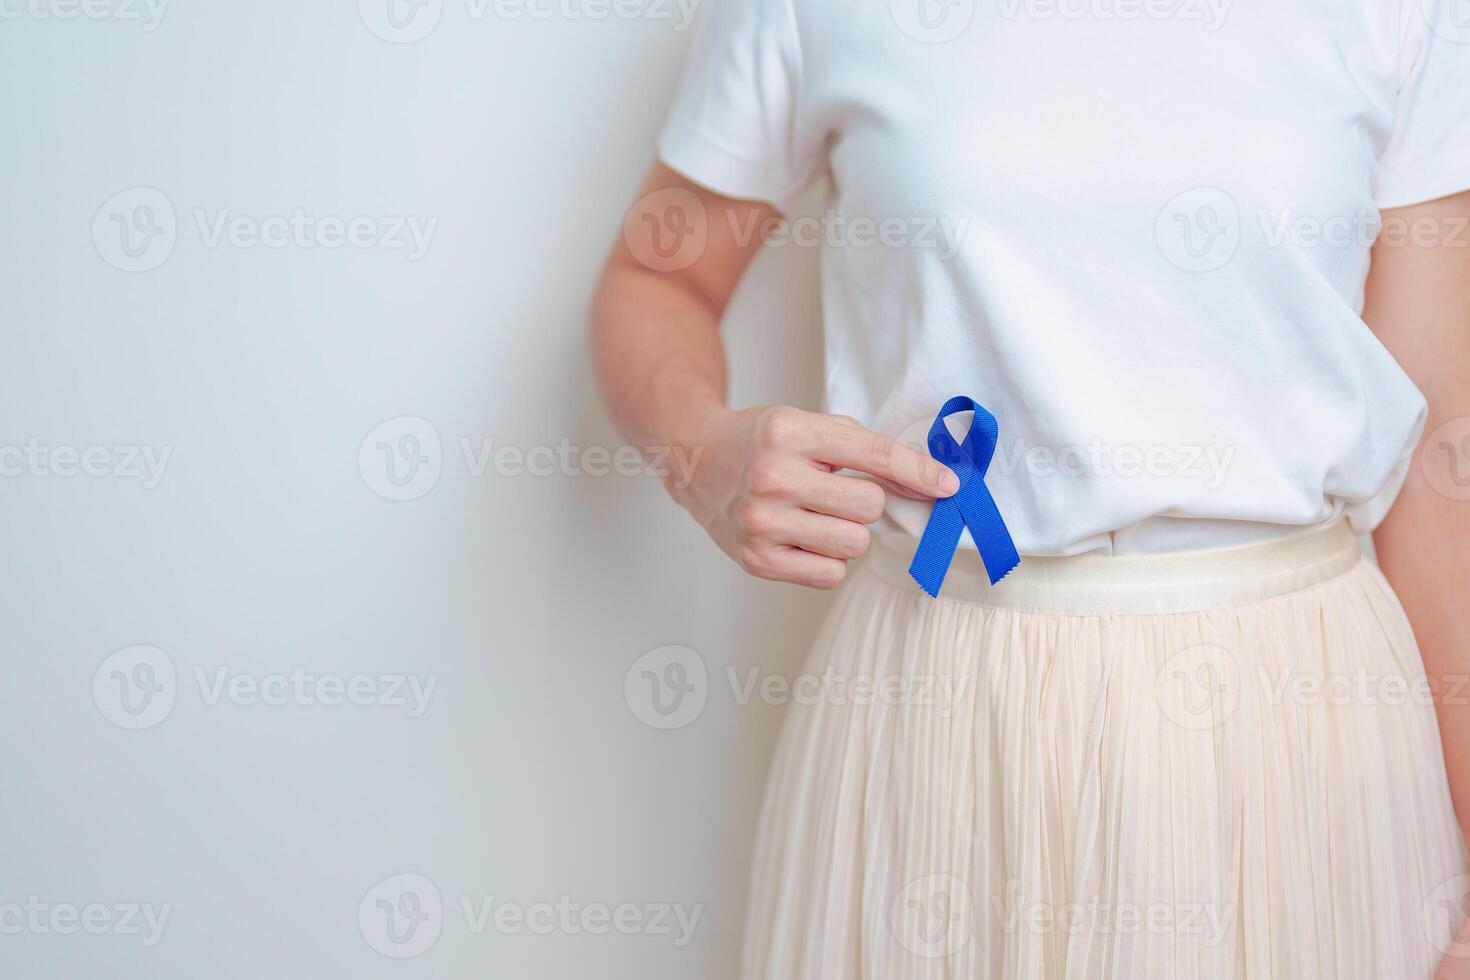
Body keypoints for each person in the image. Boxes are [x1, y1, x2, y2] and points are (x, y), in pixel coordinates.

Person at [590, 1, 1470, 976]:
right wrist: (698, 445)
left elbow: (1440, 465)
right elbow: (657, 274)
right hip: (937, 691)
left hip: (1308, 717)